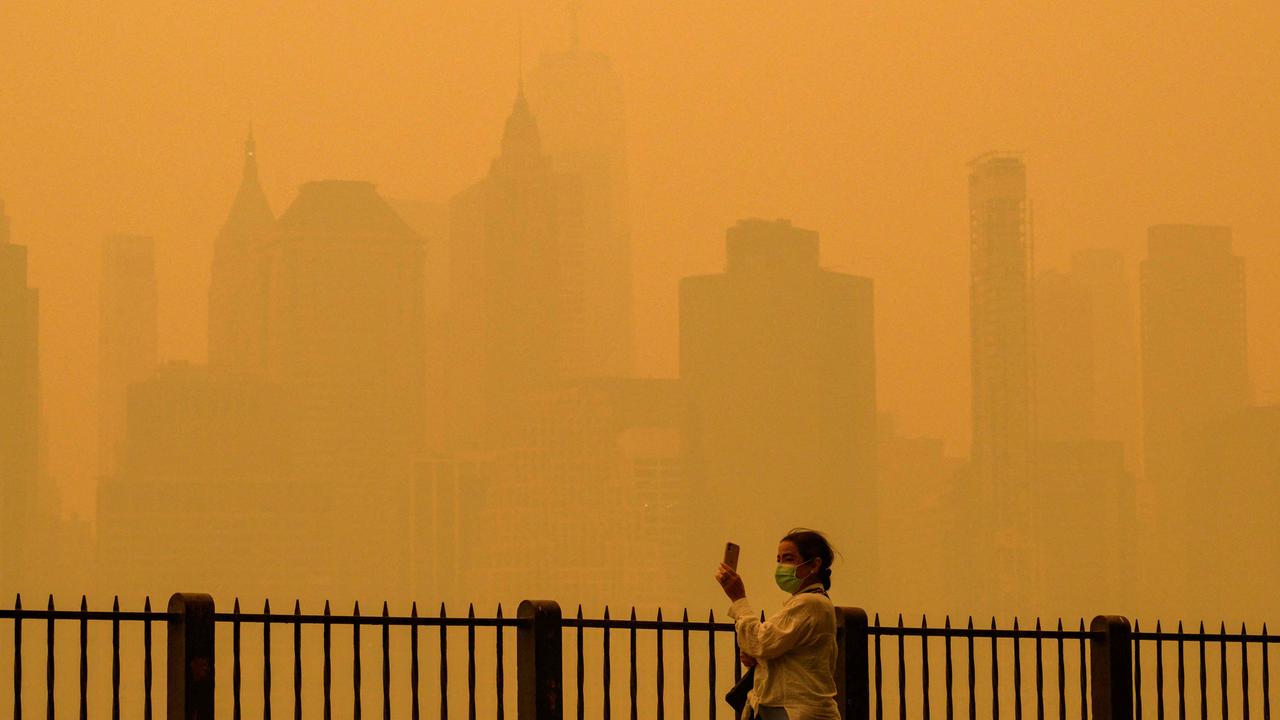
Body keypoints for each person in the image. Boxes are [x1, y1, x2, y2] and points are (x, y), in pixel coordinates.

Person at [715, 529, 840, 720]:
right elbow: (781, 650)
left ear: (814, 564)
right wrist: (758, 658)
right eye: (779, 559)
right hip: (781, 709)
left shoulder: (811, 603)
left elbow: (762, 642)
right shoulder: (805, 603)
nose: (782, 566)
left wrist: (738, 599)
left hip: (795, 711)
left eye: (789, 559)